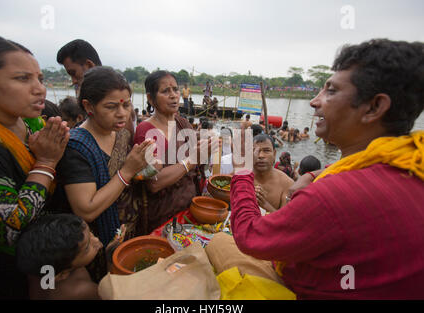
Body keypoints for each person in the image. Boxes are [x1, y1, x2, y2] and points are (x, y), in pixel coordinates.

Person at [227, 39, 424, 299]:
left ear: (374, 107)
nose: (313, 101)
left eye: (330, 91)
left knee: (222, 244)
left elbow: (249, 237)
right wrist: (314, 173)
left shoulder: (333, 196)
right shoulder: (410, 162)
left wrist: (241, 170)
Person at [0, 36, 70, 299]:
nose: (40, 89)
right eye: (22, 79)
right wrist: (47, 162)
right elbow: (6, 230)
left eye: (39, 78)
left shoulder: (33, 124)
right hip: (3, 269)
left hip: (43, 257)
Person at [50, 67, 153, 282]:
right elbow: (86, 209)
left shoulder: (122, 132)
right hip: (97, 244)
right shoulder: (76, 147)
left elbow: (128, 175)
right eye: (111, 106)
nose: (122, 113)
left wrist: (146, 166)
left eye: (126, 105)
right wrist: (128, 170)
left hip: (127, 233)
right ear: (88, 106)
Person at [134, 71, 212, 234]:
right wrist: (190, 161)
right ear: (150, 98)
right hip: (162, 215)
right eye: (165, 91)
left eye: (175, 90)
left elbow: (197, 162)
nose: (173, 96)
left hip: (190, 209)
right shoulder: (146, 130)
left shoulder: (182, 123)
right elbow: (153, 182)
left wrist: (208, 147)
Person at [16, 214, 125, 300]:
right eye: (87, 248)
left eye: (90, 233)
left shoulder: (39, 266)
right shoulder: (81, 291)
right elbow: (113, 294)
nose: (96, 240)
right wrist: (111, 258)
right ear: (62, 274)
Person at [57, 39, 135, 138]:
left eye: (74, 73)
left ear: (89, 65)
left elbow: (127, 141)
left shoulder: (117, 96)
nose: (73, 81)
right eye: (111, 107)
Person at [253, 134, 294, 213]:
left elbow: (285, 220)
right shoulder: (241, 178)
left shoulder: (287, 183)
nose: (261, 156)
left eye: (266, 150)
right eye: (256, 151)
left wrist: (265, 204)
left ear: (274, 154)